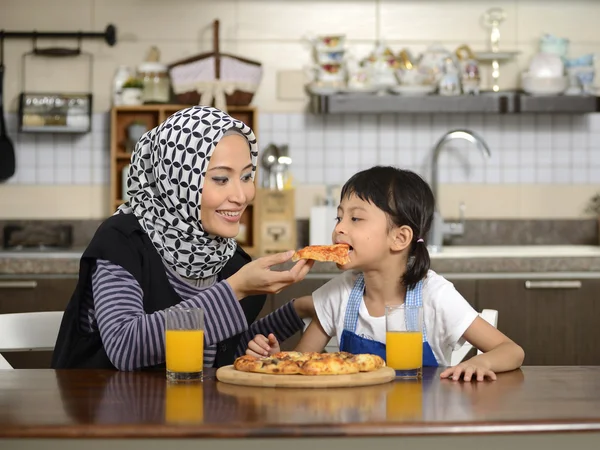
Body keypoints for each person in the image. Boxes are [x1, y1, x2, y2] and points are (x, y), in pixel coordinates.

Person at [51, 105, 314, 371]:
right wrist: (237, 289)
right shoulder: (122, 241)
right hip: (111, 408)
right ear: (176, 180)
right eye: (221, 179)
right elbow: (125, 345)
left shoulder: (230, 260)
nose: (242, 195)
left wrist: (297, 311)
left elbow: (216, 349)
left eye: (247, 176)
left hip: (186, 409)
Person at [246, 166, 525, 382]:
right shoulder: (338, 295)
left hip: (423, 427)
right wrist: (277, 361)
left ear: (400, 237)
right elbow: (302, 364)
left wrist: (481, 362)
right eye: (339, 217)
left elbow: (511, 350)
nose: (339, 229)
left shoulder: (435, 296)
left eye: (355, 218)